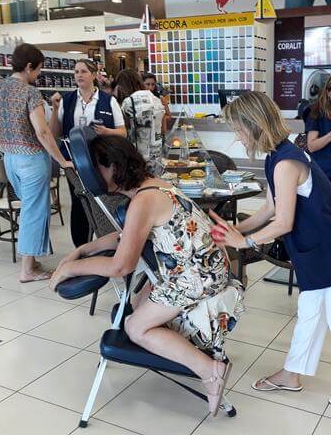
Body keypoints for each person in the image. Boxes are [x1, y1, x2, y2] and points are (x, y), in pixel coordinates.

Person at [48, 136, 243, 416]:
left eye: (95, 168)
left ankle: (210, 371)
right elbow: (125, 236)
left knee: (135, 328)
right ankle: (184, 347)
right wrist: (83, 250)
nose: (91, 176)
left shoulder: (144, 200)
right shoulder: (154, 186)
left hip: (196, 276)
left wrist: (70, 268)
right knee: (138, 305)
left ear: (113, 167)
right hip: (204, 266)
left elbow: (120, 267)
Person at [210, 91, 331, 410]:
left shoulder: (286, 161)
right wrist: (236, 230)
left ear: (253, 124)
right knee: (310, 312)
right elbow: (270, 208)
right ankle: (292, 375)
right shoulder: (276, 155)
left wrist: (244, 242)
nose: (236, 136)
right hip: (320, 249)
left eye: (237, 129)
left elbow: (283, 222)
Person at [0, 43, 73, 282]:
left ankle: (32, 259)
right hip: (31, 160)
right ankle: (28, 270)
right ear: (28, 67)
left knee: (28, 209)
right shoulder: (30, 92)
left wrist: (4, 147)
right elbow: (43, 132)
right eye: (38, 69)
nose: (38, 74)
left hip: (10, 158)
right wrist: (62, 161)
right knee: (34, 212)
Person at [49, 59, 127, 248]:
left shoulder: (108, 100)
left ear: (94, 75)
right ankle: (81, 247)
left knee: (103, 201)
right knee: (79, 203)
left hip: (102, 162)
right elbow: (55, 133)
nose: (79, 75)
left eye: (83, 71)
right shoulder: (67, 100)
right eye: (76, 72)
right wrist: (55, 109)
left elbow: (123, 132)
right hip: (74, 162)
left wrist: (106, 132)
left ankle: (107, 243)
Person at [116, 69, 166, 174]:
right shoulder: (157, 99)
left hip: (138, 154)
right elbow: (163, 129)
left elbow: (126, 131)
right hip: (156, 151)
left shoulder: (128, 102)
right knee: (155, 179)